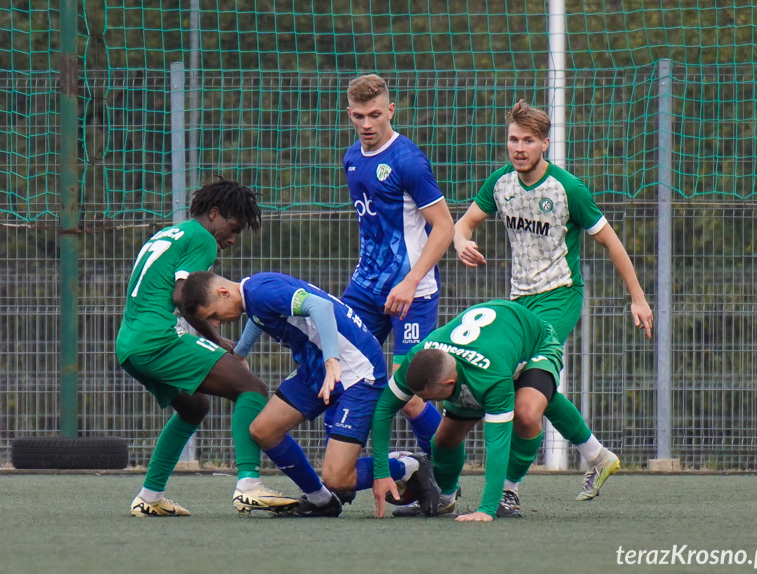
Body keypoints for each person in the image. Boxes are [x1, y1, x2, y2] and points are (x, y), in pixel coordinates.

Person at [452, 99, 655, 516]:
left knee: (525, 396)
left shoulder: (567, 189)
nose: (519, 147)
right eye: (513, 139)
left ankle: (508, 491)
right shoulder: (500, 185)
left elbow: (611, 241)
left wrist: (638, 297)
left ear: (545, 143)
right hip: (518, 303)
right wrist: (460, 240)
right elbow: (464, 222)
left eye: (528, 140)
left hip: (560, 297)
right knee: (529, 391)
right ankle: (597, 455)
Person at [181, 270, 440, 517]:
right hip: (314, 369)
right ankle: (321, 500)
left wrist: (331, 360)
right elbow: (258, 319)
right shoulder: (253, 295)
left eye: (214, 314)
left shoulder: (261, 292)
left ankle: (409, 466)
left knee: (339, 478)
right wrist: (240, 353)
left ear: (224, 292)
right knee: (263, 430)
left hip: (357, 373)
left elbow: (320, 306)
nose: (216, 322)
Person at [116, 179, 298, 517]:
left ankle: (150, 496)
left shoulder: (170, 233)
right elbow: (184, 297)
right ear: (214, 214)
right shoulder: (202, 238)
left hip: (129, 343)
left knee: (194, 407)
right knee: (251, 386)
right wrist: (216, 340)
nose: (231, 239)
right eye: (233, 228)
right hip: (157, 338)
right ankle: (248, 484)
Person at [337, 73, 455, 455]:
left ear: (391, 110)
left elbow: (444, 228)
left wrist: (410, 281)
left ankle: (442, 462)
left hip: (412, 294)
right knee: (339, 365)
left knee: (409, 390)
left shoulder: (408, 162)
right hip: (365, 289)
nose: (367, 125)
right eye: (358, 116)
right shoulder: (352, 158)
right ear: (349, 114)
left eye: (374, 115)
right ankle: (340, 468)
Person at [371, 299, 564, 521]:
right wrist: (381, 472)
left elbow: (496, 444)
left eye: (429, 397)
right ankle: (445, 499)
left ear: (449, 384)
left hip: (536, 343)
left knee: (527, 415)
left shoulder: (491, 379)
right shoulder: (417, 358)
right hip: (474, 361)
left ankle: (507, 491)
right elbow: (384, 409)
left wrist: (486, 510)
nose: (422, 400)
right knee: (444, 439)